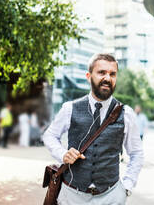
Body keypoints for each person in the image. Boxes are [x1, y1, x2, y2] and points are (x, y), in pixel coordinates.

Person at [43, 53, 144, 205]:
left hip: (111, 197)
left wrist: (127, 187)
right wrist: (63, 154)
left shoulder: (127, 114)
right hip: (71, 195)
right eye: (101, 72)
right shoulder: (70, 108)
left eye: (112, 74)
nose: (107, 78)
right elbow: (49, 135)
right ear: (89, 76)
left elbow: (136, 153)